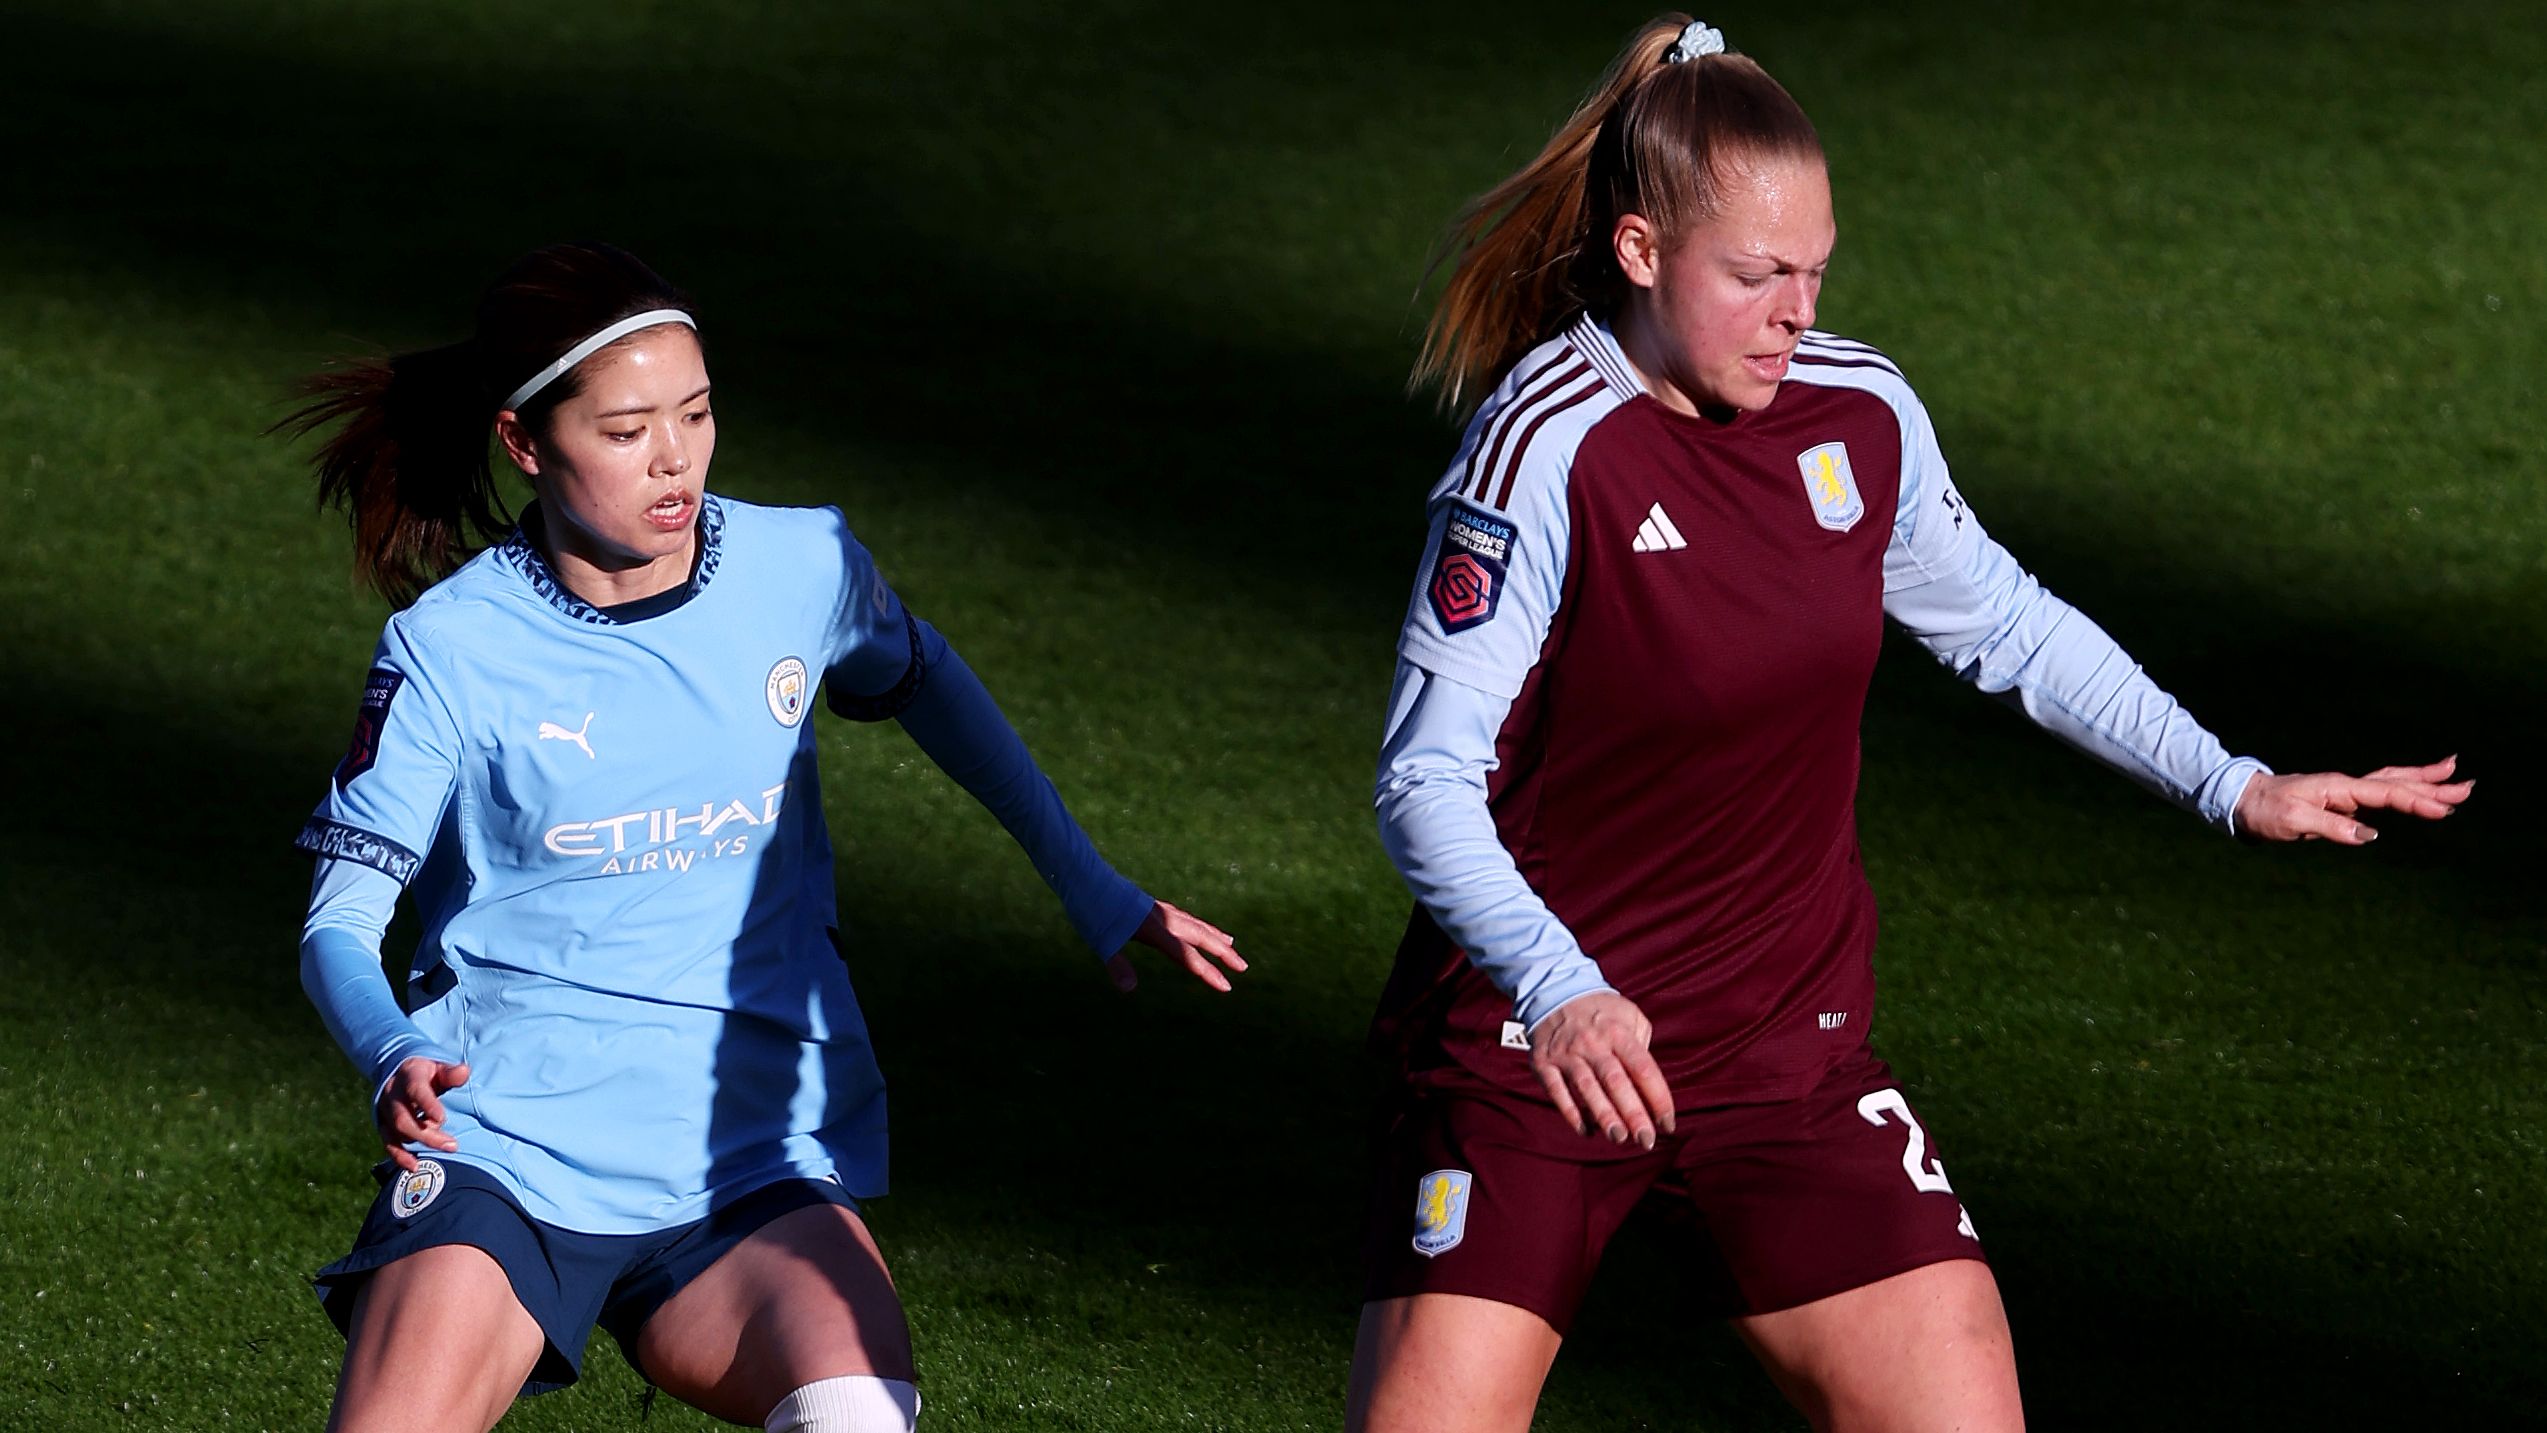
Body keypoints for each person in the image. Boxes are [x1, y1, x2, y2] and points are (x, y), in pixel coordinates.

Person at [1347, 17, 2469, 1432]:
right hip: (1538, 1050)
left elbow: (2000, 623)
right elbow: (1423, 777)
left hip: (1779, 1055)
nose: (1792, 313)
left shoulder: (1855, 413)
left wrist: (2225, 781)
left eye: (1812, 271)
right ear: (1637, 252)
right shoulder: (1544, 446)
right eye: (1753, 276)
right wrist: (1557, 987)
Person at [281, 241, 1247, 1433]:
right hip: (508, 1151)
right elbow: (339, 922)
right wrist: (388, 1050)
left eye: (695, 411)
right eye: (627, 430)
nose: (675, 457)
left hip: (749, 1152)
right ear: (526, 444)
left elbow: (928, 677)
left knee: (857, 1410)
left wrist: (1091, 884)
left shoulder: (802, 567)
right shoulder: (450, 651)